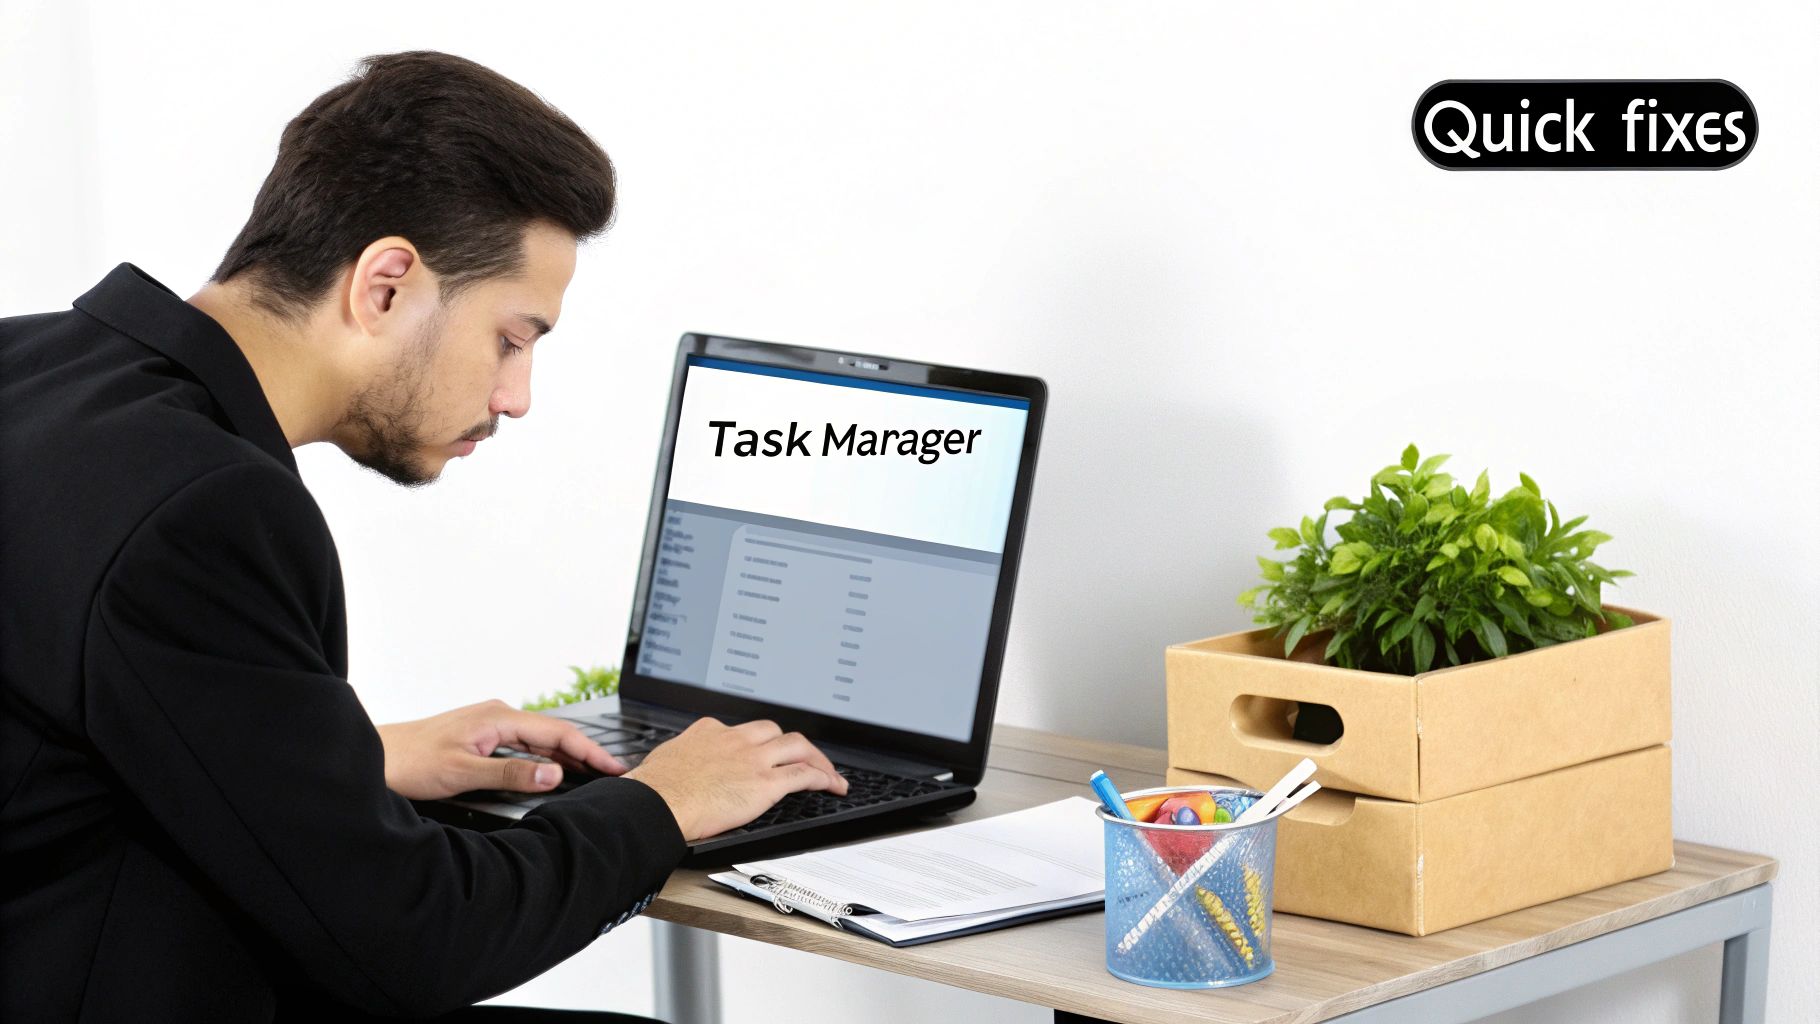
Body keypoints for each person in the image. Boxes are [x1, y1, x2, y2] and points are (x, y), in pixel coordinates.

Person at [0, 51, 848, 1022]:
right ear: (387, 283)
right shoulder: (201, 506)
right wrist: (661, 800)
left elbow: (63, 738)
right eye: (511, 337)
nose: (514, 397)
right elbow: (413, 938)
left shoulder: (28, 369)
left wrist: (344, 756)